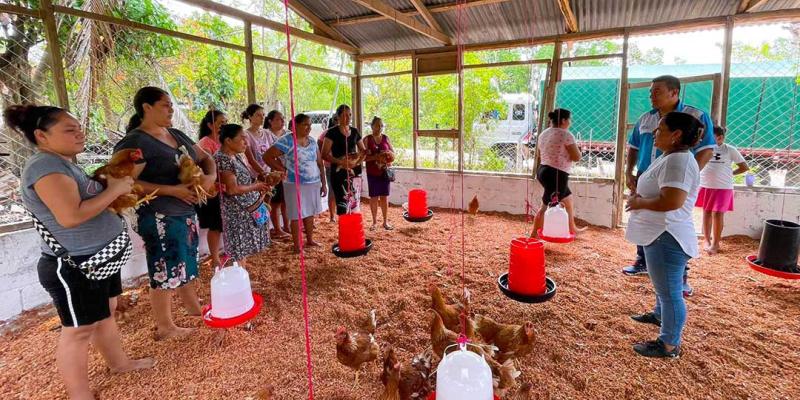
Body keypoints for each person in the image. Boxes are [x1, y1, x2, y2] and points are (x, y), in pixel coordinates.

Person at [5, 104, 155, 399]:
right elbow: (70, 216)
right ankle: (79, 395)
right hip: (74, 266)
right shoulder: (44, 167)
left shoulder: (66, 163)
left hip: (98, 260)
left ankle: (119, 363)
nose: (79, 133)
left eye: (79, 127)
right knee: (77, 331)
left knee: (106, 313)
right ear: (41, 135)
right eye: (69, 129)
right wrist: (113, 190)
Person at [115, 86, 216, 340]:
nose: (171, 109)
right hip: (159, 214)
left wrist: (209, 177)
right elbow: (124, 183)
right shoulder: (136, 142)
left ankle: (194, 309)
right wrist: (172, 190)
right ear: (146, 108)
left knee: (185, 262)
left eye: (171, 105)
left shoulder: (176, 134)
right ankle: (164, 326)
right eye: (165, 105)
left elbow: (206, 158)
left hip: (184, 209)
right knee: (163, 268)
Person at [623, 75, 715, 298]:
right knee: (643, 215)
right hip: (648, 174)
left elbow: (707, 149)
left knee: (673, 221)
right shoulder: (646, 119)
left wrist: (686, 175)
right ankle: (643, 260)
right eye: (650, 92)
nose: (651, 96)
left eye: (657, 91)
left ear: (674, 92)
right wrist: (629, 171)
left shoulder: (695, 115)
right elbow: (634, 147)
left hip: (674, 177)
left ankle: (680, 275)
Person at [625, 111, 704, 358]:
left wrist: (640, 203)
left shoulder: (678, 162)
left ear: (676, 135)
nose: (655, 133)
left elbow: (672, 200)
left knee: (670, 292)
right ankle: (660, 316)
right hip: (660, 234)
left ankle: (669, 344)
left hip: (666, 234)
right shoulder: (671, 157)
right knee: (664, 288)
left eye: (660, 129)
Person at [264, 114, 327, 253]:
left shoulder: (312, 141)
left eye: (310, 124)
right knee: (296, 214)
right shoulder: (286, 141)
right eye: (305, 124)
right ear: (295, 125)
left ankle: (310, 240)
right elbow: (267, 156)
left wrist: (323, 182)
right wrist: (282, 169)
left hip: (313, 182)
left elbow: (319, 162)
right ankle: (297, 246)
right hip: (294, 183)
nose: (309, 127)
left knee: (310, 212)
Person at [214, 124, 271, 266]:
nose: (246, 142)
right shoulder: (223, 159)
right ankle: (240, 282)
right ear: (228, 140)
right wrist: (255, 186)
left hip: (245, 210)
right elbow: (232, 189)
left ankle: (242, 280)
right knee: (238, 250)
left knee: (242, 251)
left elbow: (242, 181)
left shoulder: (235, 157)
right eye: (242, 138)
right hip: (236, 213)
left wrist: (257, 186)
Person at [696, 125, 748, 255]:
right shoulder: (704, 148)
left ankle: (715, 243)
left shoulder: (729, 150)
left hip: (723, 187)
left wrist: (730, 174)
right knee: (706, 211)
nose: (705, 138)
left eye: (710, 136)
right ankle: (707, 240)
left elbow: (744, 167)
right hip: (706, 185)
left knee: (718, 213)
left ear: (720, 137)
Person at [532, 108, 581, 237]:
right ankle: (532, 237)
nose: (570, 122)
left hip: (543, 171)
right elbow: (577, 157)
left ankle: (573, 229)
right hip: (557, 175)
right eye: (570, 119)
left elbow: (539, 154)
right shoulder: (566, 135)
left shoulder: (544, 133)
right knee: (545, 207)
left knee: (568, 199)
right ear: (563, 120)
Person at [321, 104, 366, 215]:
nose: (348, 118)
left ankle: (353, 228)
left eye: (350, 115)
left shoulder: (354, 131)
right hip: (338, 172)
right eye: (345, 115)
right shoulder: (332, 132)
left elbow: (363, 151)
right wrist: (341, 162)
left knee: (354, 201)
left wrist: (357, 161)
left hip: (354, 171)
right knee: (342, 203)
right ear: (338, 116)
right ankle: (344, 228)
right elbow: (324, 154)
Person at [196, 110, 227, 268]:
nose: (224, 125)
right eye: (221, 122)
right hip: (213, 191)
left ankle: (227, 255)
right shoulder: (205, 143)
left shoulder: (225, 141)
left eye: (225, 122)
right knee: (215, 226)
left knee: (225, 224)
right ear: (210, 125)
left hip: (227, 189)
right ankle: (215, 259)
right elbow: (207, 168)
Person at [262, 110, 291, 239]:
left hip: (287, 172)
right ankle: (277, 228)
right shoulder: (266, 135)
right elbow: (267, 155)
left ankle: (287, 226)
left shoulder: (287, 134)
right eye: (279, 119)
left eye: (283, 118)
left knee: (286, 201)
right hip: (272, 173)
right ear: (270, 121)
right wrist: (279, 170)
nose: (282, 121)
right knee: (275, 202)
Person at [363, 116, 395, 230]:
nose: (380, 128)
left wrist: (388, 157)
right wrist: (376, 157)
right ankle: (374, 222)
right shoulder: (367, 139)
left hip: (384, 172)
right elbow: (363, 158)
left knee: (385, 197)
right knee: (374, 197)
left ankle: (385, 222)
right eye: (377, 125)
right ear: (372, 126)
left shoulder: (386, 138)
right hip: (372, 172)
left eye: (382, 125)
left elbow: (393, 154)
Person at [318, 114, 338, 223]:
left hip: (344, 166)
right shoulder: (325, 134)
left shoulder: (346, 132)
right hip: (330, 166)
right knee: (332, 191)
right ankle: (332, 216)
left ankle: (341, 213)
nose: (338, 121)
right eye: (336, 119)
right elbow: (320, 152)